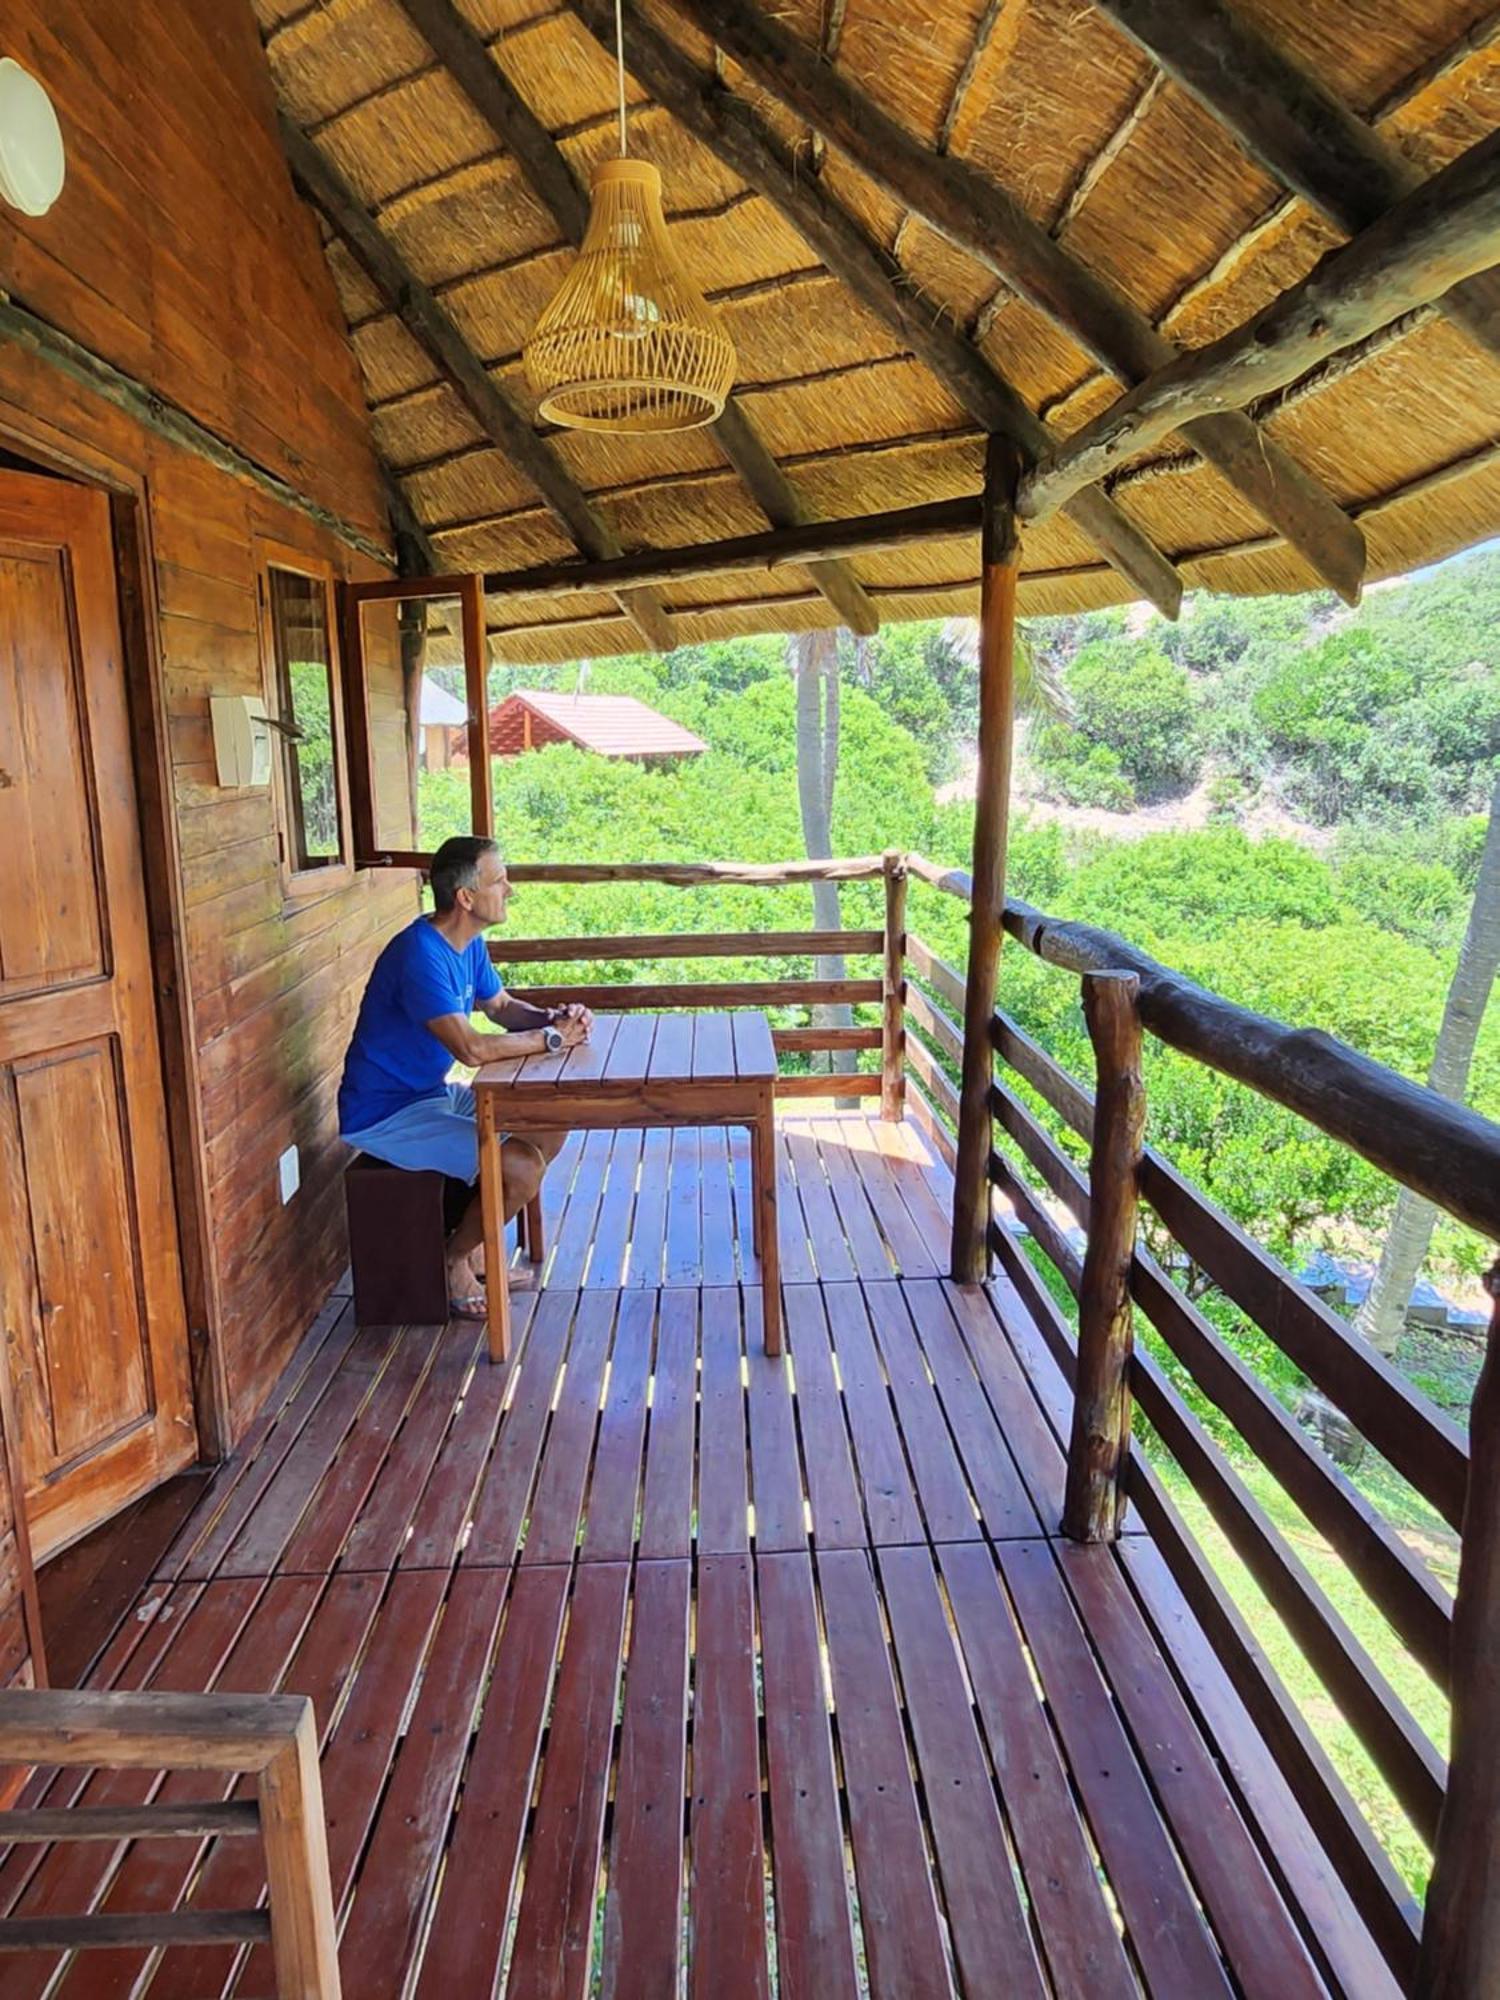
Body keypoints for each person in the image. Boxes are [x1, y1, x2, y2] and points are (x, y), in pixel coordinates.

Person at [338, 835, 591, 1317]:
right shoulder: (419, 954)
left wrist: (553, 1018)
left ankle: (475, 1245)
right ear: (466, 898)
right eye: (500, 881)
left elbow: (500, 1008)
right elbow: (471, 1048)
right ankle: (453, 1258)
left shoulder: (467, 943)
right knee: (518, 1167)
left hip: (431, 1094)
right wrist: (553, 1041)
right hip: (386, 1112)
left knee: (553, 1117)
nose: (510, 890)